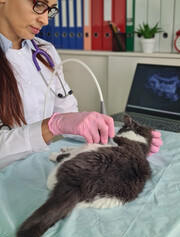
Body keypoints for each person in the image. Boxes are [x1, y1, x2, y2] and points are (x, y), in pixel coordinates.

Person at [0, 0, 162, 169]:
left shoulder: (45, 51)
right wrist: (53, 125)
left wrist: (126, 138)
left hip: (35, 169)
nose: (45, 20)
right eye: (40, 4)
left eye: (50, 10)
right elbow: (60, 123)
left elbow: (70, 119)